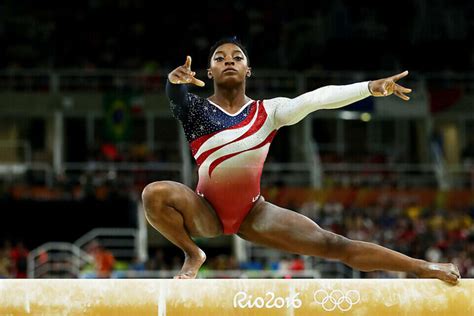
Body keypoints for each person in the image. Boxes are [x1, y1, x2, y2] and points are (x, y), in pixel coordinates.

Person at [142, 37, 460, 283]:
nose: (229, 62)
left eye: (237, 58)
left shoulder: (269, 111)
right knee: (155, 193)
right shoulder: (195, 110)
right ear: (209, 71)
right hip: (205, 210)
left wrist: (368, 88)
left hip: (254, 213)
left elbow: (316, 98)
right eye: (220, 58)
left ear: (248, 70)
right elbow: (176, 97)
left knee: (334, 244)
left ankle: (424, 267)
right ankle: (192, 252)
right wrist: (173, 82)